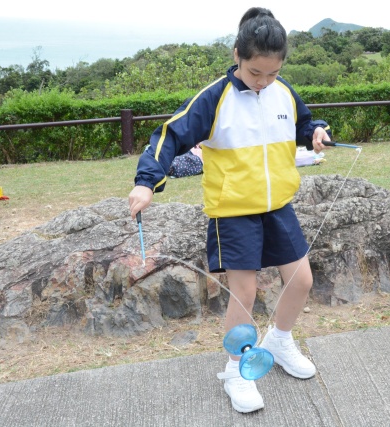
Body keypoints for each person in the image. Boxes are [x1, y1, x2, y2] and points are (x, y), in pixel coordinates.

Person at [128, 7, 332, 414]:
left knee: (302, 281)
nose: (263, 81)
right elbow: (168, 135)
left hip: (278, 205)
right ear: (237, 54)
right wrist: (145, 182)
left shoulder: (282, 91)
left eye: (273, 73)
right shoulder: (213, 98)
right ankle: (236, 369)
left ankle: (280, 340)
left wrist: (316, 131)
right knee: (245, 291)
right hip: (233, 209)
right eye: (256, 72)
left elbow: (303, 123)